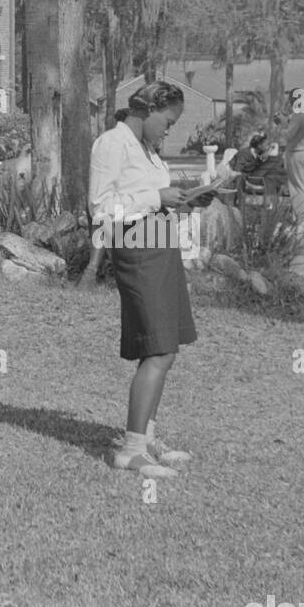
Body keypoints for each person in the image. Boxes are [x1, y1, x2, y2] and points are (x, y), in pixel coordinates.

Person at [89, 81, 213, 478]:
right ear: (149, 110)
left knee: (164, 347)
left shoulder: (147, 149)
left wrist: (189, 198)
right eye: (168, 122)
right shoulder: (112, 143)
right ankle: (131, 450)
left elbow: (152, 197)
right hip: (137, 250)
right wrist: (156, 198)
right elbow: (101, 209)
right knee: (157, 349)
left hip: (161, 246)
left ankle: (147, 436)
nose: (168, 131)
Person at [281, 88, 304, 232]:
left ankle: (300, 218)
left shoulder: (298, 115)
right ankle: (302, 216)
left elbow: (288, 135)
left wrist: (282, 123)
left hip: (295, 152)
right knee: (302, 184)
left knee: (296, 187)